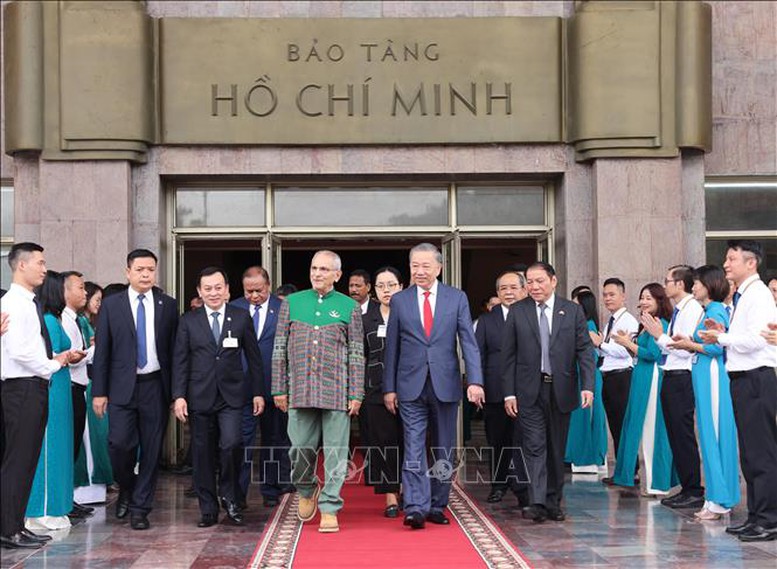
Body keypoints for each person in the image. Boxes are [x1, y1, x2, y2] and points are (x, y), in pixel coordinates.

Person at [383, 243, 485, 530]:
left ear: (439, 268)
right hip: (409, 384)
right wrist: (389, 387)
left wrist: (475, 380)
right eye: (414, 265)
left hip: (446, 383)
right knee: (414, 446)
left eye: (426, 266)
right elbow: (392, 347)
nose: (419, 271)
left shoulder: (456, 298)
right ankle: (415, 506)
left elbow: (468, 342)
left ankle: (438, 504)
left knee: (444, 448)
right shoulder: (400, 300)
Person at [272, 250, 364, 534]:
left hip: (336, 391)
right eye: (314, 268)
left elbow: (357, 353)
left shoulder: (349, 307)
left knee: (336, 454)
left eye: (324, 269)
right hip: (299, 390)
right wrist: (278, 388)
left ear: (337, 274)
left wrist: (356, 393)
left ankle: (329, 506)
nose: (317, 274)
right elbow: (279, 350)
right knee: (299, 449)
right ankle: (307, 487)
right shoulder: (292, 303)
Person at [92, 249, 179, 530]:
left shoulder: (168, 305)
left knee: (152, 451)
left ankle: (141, 508)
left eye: (150, 270)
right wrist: (99, 391)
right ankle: (126, 487)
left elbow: (175, 353)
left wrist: (176, 393)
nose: (146, 274)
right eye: (140, 269)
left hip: (155, 386)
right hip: (120, 389)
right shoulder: (112, 305)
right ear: (127, 272)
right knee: (119, 444)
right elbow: (103, 349)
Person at [501, 262, 594, 523]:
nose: (534, 286)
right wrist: (509, 393)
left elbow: (585, 351)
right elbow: (507, 357)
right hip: (528, 390)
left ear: (553, 281)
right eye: (529, 282)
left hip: (561, 389)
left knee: (555, 448)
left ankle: (553, 501)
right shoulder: (518, 311)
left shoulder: (572, 311)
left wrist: (587, 386)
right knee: (534, 446)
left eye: (539, 281)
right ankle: (537, 501)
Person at [173, 266, 265, 527]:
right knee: (202, 455)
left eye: (218, 288)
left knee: (232, 444)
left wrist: (258, 392)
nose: (213, 293)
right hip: (199, 397)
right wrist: (179, 396)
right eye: (208, 289)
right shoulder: (188, 321)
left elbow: (254, 359)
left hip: (232, 397)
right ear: (200, 292)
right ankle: (208, 508)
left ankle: (232, 498)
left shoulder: (240, 317)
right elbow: (180, 361)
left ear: (227, 290)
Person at [699, 241, 777, 541]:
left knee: (762, 454)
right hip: (744, 380)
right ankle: (757, 516)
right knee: (750, 455)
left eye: (732, 259)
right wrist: (724, 335)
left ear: (751, 263)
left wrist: (723, 339)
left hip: (757, 378)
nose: (726, 264)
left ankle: (769, 520)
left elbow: (758, 340)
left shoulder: (758, 295)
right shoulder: (744, 296)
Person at [1, 244, 71, 549]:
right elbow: (19, 351)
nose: (44, 269)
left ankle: (16, 524)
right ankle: (9, 529)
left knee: (27, 460)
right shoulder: (14, 303)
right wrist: (54, 364)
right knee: (18, 460)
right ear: (21, 266)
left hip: (32, 386)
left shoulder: (27, 302)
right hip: (23, 387)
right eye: (40, 263)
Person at [669, 265, 739, 520]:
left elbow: (716, 348)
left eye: (697, 283)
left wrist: (691, 344)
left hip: (713, 377)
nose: (694, 287)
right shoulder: (708, 311)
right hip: (704, 376)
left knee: (715, 437)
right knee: (709, 437)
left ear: (709, 285)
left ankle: (719, 500)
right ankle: (715, 497)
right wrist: (689, 344)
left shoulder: (716, 310)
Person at [26, 271, 87, 530]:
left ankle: (58, 507)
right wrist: (64, 358)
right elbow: (46, 356)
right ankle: (42, 510)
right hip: (52, 388)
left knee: (61, 448)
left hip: (62, 388)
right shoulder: (48, 320)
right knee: (50, 450)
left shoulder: (55, 319)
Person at [640, 265, 705, 509]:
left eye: (668, 280)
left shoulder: (691, 309)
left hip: (681, 376)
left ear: (680, 284)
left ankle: (694, 489)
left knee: (683, 434)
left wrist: (658, 335)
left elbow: (683, 345)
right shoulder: (681, 309)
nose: (665, 284)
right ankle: (687, 487)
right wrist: (660, 337)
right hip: (671, 374)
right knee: (676, 435)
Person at [229, 266, 291, 508]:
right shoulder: (234, 308)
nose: (254, 296)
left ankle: (270, 488)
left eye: (259, 290)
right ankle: (239, 493)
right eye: (249, 291)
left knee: (274, 440)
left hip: (274, 386)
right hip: (242, 387)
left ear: (268, 285)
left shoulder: (284, 308)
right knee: (242, 441)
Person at [611, 283, 677, 495]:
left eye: (649, 298)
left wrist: (627, 344)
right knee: (639, 427)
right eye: (642, 298)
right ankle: (649, 481)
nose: (644, 302)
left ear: (660, 300)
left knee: (652, 429)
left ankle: (657, 483)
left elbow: (655, 354)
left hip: (652, 379)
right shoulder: (645, 324)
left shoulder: (660, 323)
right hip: (641, 377)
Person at [475, 270, 530, 504]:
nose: (508, 292)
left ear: (524, 289)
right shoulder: (487, 320)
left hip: (527, 389)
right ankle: (498, 485)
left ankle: (524, 488)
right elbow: (477, 355)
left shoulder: (532, 315)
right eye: (503, 289)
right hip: (495, 390)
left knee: (525, 441)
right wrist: (476, 384)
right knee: (498, 441)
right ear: (497, 293)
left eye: (513, 287)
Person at [361, 266, 405, 517]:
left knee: (409, 442)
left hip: (409, 389)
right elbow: (360, 357)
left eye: (391, 284)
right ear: (374, 289)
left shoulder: (411, 315)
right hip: (376, 391)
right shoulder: (366, 319)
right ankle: (390, 494)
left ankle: (410, 488)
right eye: (381, 285)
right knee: (384, 442)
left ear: (402, 286)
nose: (386, 290)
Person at [589, 278, 639, 483]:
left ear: (623, 295)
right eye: (605, 295)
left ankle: (630, 471)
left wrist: (601, 344)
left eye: (612, 294)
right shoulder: (612, 320)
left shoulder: (628, 321)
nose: (607, 299)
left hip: (622, 377)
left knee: (622, 425)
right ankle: (622, 471)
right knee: (616, 426)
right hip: (609, 377)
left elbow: (627, 351)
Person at [60, 271, 98, 517]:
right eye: (81, 288)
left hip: (79, 388)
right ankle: (66, 501)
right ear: (65, 291)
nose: (85, 293)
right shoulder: (63, 320)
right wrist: (95, 349)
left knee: (73, 448)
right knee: (69, 447)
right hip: (72, 388)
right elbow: (73, 358)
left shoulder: (75, 319)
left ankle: (69, 500)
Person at [74, 282, 113, 500]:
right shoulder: (79, 322)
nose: (98, 303)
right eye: (95, 299)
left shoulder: (90, 322)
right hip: (85, 383)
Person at [564, 290, 608, 474]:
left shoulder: (587, 326)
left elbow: (588, 354)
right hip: (581, 374)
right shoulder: (585, 324)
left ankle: (586, 457)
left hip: (585, 375)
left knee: (586, 416)